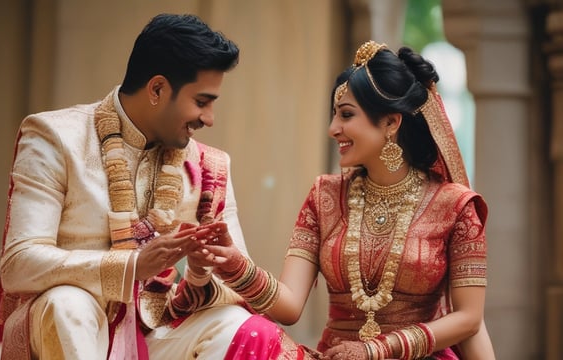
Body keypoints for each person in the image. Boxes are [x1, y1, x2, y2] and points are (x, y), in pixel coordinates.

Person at [0, 13, 292, 360]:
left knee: (236, 324)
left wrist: (200, 271)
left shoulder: (209, 166)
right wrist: (132, 266)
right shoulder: (56, 137)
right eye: (202, 102)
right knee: (67, 304)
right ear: (158, 89)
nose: (209, 119)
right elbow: (19, 264)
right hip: (71, 331)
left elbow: (234, 286)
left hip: (158, 333)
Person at [198, 40, 497, 359]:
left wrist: (377, 350)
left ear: (391, 123)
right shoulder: (325, 195)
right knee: (252, 333)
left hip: (416, 355)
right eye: (334, 116)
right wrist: (235, 265)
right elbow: (289, 305)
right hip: (336, 356)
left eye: (346, 115)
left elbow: (469, 319)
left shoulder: (455, 206)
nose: (333, 129)